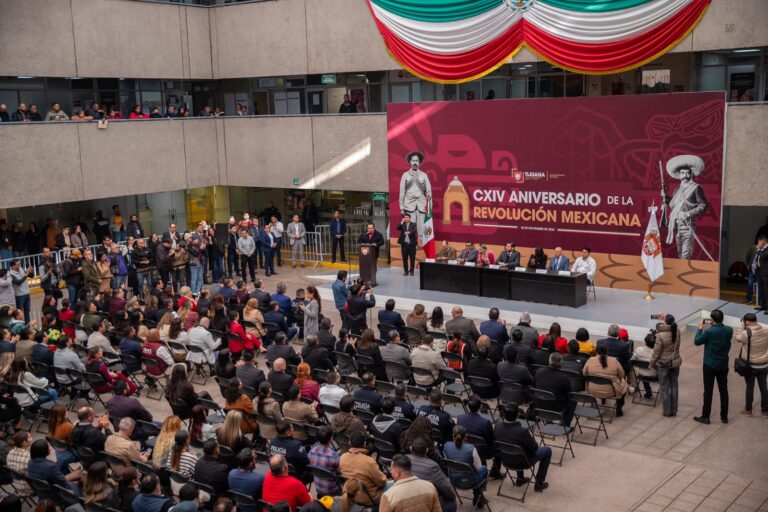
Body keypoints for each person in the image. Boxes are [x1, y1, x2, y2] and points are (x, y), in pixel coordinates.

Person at [494, 403, 552, 492]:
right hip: (523, 462)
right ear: (517, 415)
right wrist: (531, 436)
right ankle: (539, 483)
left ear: (503, 414)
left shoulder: (497, 427)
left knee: (517, 448)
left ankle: (520, 478)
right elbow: (535, 448)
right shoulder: (522, 431)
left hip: (505, 460)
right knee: (547, 450)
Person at [663, 155, 709, 260]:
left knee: (685, 255)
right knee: (679, 254)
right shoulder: (676, 190)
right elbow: (675, 205)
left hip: (688, 226)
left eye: (688, 173)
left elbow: (704, 205)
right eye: (683, 173)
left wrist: (688, 214)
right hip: (676, 226)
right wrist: (666, 197)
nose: (685, 175)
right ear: (679, 175)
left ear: (691, 174)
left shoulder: (696, 188)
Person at [693, 309, 733, 424]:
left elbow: (697, 341)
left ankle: (706, 416)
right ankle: (724, 417)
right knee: (723, 390)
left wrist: (700, 329)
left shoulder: (710, 332)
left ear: (712, 319)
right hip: (723, 364)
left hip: (710, 364)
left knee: (708, 390)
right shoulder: (729, 330)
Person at [408, 437, 457, 512]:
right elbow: (448, 489)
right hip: (426, 502)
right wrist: (452, 496)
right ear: (426, 450)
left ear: (411, 448)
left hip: (409, 498)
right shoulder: (432, 466)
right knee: (452, 504)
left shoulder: (404, 460)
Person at [443, 425, 488, 507]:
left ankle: (478, 496)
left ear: (453, 436)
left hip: (453, 480)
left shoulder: (446, 446)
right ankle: (478, 495)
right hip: (470, 482)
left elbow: (447, 462)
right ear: (466, 437)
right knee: (484, 469)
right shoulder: (471, 448)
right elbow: (479, 467)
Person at [339, 431, 387, 506]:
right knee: (394, 484)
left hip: (352, 495)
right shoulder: (369, 462)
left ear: (349, 443)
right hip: (371, 498)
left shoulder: (342, 457)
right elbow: (382, 482)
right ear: (365, 444)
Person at [734, 313, 768, 417]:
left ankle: (748, 410)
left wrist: (740, 327)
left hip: (751, 365)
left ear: (747, 322)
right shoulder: (767, 329)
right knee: (763, 387)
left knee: (750, 387)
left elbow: (738, 338)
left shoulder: (746, 333)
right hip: (764, 364)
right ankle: (765, 410)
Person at [650, 314, 682, 417]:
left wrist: (652, 363)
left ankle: (667, 411)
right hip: (675, 362)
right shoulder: (677, 331)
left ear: (665, 322)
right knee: (674, 386)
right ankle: (674, 410)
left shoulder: (660, 335)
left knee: (664, 386)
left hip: (664, 364)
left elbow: (656, 352)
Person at [583, 344, 627, 417]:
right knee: (624, 383)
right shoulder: (614, 361)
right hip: (611, 391)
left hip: (592, 390)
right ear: (607, 351)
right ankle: (619, 407)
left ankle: (599, 403)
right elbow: (622, 375)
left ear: (596, 351)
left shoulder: (590, 360)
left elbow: (584, 373)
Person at [534, 352, 576, 426]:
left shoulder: (539, 371)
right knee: (573, 401)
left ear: (550, 361)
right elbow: (570, 394)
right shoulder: (564, 377)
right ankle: (566, 425)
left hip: (539, 404)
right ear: (561, 362)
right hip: (556, 407)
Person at [308, 426, 341, 497]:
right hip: (333, 491)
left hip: (319, 489)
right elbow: (340, 472)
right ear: (331, 438)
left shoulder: (311, 451)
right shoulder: (333, 455)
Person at [755, 236, 768, 313]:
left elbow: (763, 255)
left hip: (766, 273)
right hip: (760, 272)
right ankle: (762, 305)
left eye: (759, 242)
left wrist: (758, 250)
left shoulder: (763, 249)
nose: (758, 243)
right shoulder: (761, 249)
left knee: (767, 290)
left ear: (763, 241)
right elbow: (759, 257)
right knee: (761, 290)